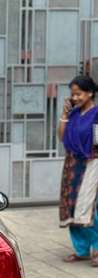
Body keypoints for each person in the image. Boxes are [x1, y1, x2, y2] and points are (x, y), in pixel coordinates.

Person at [58, 75, 98, 265]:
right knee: (72, 207)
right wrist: (65, 115)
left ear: (90, 93)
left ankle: (97, 248)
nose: (75, 98)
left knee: (88, 208)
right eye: (73, 95)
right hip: (72, 165)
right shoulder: (73, 114)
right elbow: (62, 137)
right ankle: (81, 250)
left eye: (79, 94)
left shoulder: (96, 114)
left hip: (91, 164)